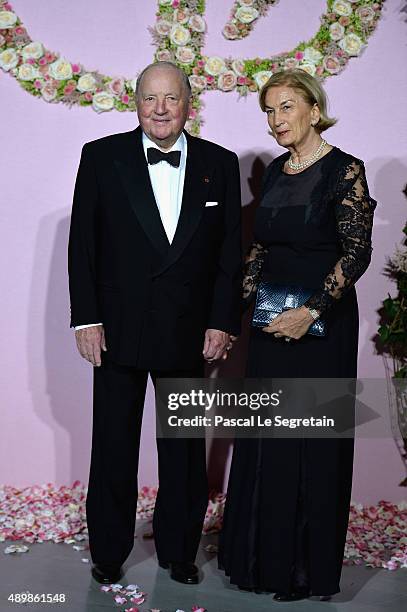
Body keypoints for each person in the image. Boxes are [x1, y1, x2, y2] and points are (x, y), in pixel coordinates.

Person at [68, 61, 241, 586]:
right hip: (117, 328)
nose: (160, 109)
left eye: (170, 99)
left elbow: (229, 252)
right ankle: (109, 551)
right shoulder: (101, 157)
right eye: (150, 98)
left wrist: (221, 321)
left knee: (184, 451)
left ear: (189, 104)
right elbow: (83, 244)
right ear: (135, 102)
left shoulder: (221, 163)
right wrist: (87, 319)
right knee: (114, 445)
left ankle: (179, 550)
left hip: (189, 330)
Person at [218, 69, 376, 601]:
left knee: (309, 436)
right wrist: (231, 314)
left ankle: (305, 571)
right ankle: (261, 560)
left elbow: (356, 252)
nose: (276, 120)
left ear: (313, 108)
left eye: (286, 107)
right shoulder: (277, 173)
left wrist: (309, 311)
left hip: (321, 323)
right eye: (268, 110)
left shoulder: (345, 170)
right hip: (269, 319)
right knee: (267, 437)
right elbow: (260, 250)